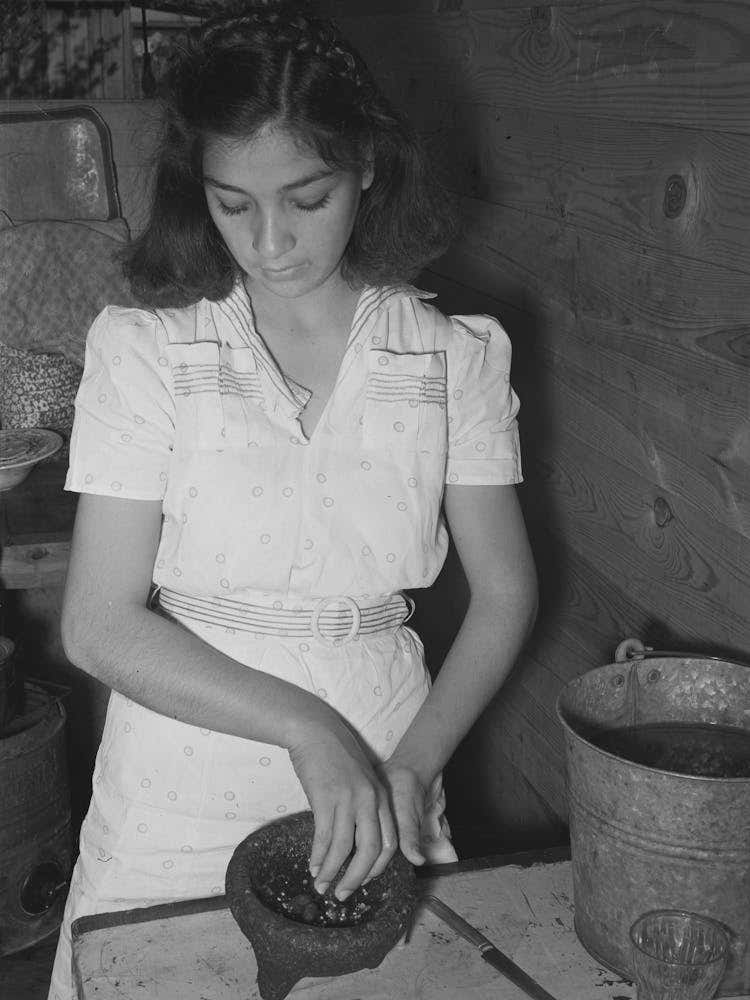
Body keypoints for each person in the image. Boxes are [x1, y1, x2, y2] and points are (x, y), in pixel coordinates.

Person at [48, 2, 538, 997]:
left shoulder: (448, 358)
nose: (270, 242)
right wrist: (307, 730)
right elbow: (98, 625)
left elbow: (504, 592)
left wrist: (412, 767)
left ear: (367, 165)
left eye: (306, 199)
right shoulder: (150, 348)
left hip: (388, 751)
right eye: (233, 205)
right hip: (180, 766)